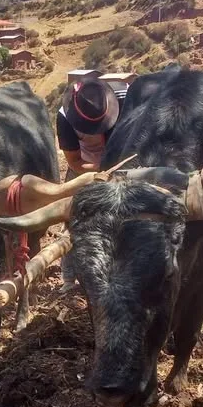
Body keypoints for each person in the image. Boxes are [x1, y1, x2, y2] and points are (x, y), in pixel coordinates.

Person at [56, 78, 128, 287]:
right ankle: (69, 278)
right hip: (87, 165)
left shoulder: (126, 98)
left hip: (124, 161)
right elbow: (74, 161)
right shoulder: (64, 117)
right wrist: (102, 170)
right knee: (73, 217)